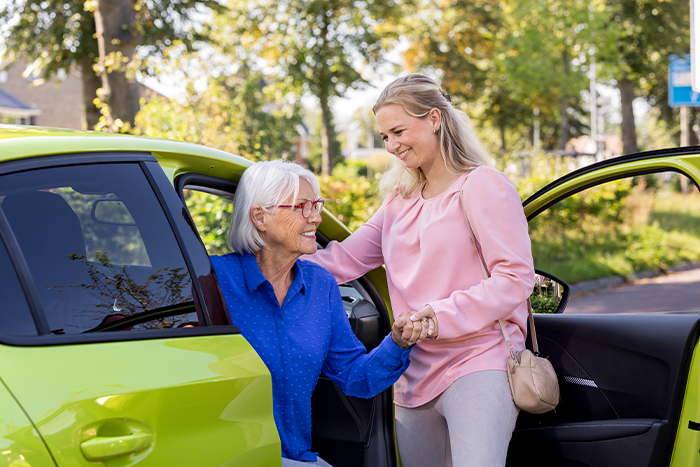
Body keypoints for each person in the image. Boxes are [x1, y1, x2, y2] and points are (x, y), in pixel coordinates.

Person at [305, 74, 535, 467]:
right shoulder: (400, 200)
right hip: (414, 370)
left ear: (433, 118)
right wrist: (260, 267)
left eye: (398, 131)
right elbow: (342, 259)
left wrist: (438, 316)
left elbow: (515, 277)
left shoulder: (481, 186)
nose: (393, 146)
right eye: (384, 137)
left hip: (478, 360)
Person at [209, 160, 428, 466]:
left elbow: (356, 377)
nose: (316, 216)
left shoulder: (320, 285)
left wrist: (397, 343)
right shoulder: (214, 281)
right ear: (260, 217)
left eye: (316, 204)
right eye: (301, 206)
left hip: (296, 458)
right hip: (230, 456)